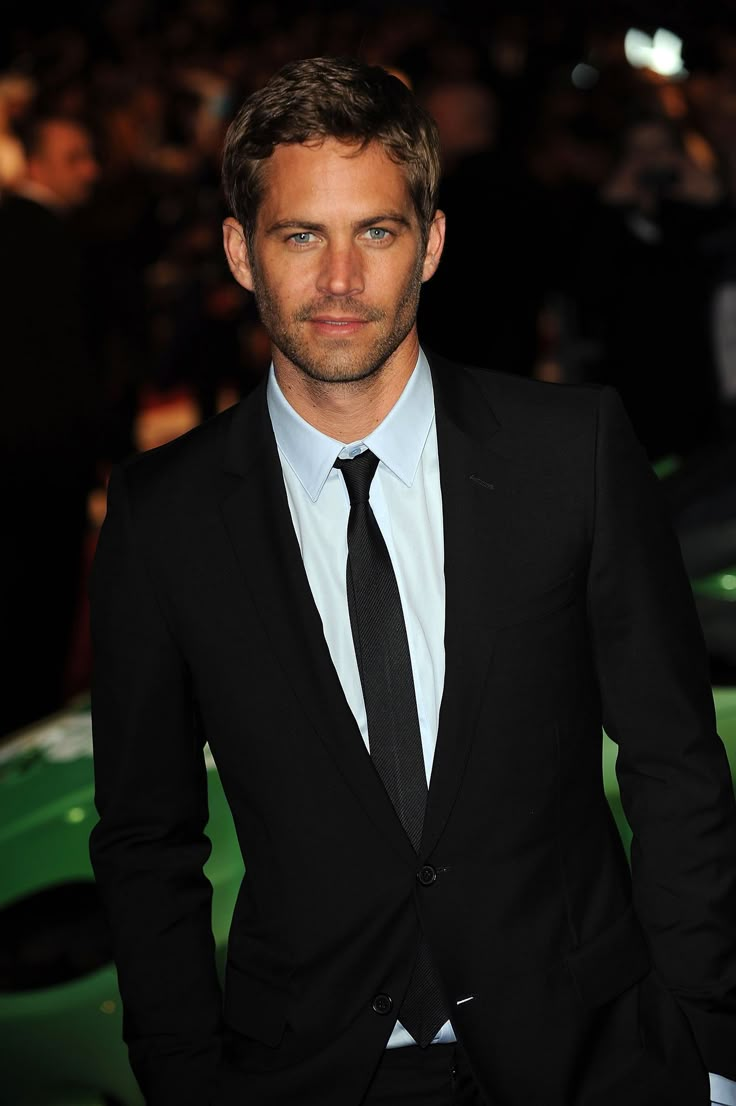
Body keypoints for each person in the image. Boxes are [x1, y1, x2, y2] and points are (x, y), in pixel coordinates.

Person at [88, 57, 736, 1106]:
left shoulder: (569, 453)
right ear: (239, 253)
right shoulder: (166, 514)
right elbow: (145, 838)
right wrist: (183, 1081)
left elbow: (675, 760)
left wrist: (709, 1046)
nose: (339, 280)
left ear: (429, 243)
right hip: (307, 1068)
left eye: (375, 231)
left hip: (587, 1057)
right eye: (301, 234)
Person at [0, 112, 100, 736]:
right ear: (35, 164)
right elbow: (71, 362)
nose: (91, 171)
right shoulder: (56, 243)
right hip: (43, 460)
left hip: (16, 456)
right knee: (37, 610)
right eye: (74, 158)